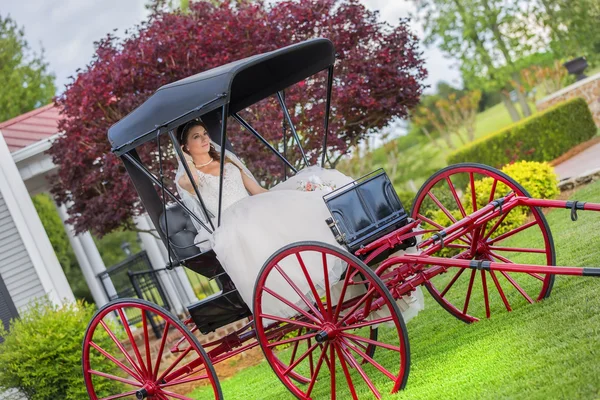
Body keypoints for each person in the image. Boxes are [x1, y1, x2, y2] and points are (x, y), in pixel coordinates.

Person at [175, 118, 424, 322]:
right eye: (196, 137)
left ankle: (346, 244)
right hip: (231, 220)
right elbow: (190, 183)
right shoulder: (188, 177)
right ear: (185, 147)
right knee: (258, 225)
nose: (205, 139)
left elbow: (258, 192)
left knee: (303, 203)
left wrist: (291, 194)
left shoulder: (228, 162)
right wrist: (187, 161)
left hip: (253, 205)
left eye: (205, 133)